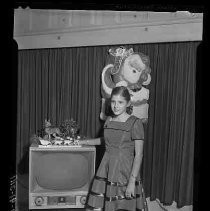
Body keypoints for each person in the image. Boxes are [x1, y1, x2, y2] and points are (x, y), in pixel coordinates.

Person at [79, 86, 148, 211]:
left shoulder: (135, 123)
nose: (116, 106)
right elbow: (106, 141)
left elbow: (139, 155)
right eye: (113, 102)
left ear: (128, 103)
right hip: (107, 168)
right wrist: (83, 142)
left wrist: (132, 182)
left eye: (120, 102)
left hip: (125, 172)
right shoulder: (109, 120)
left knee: (122, 206)